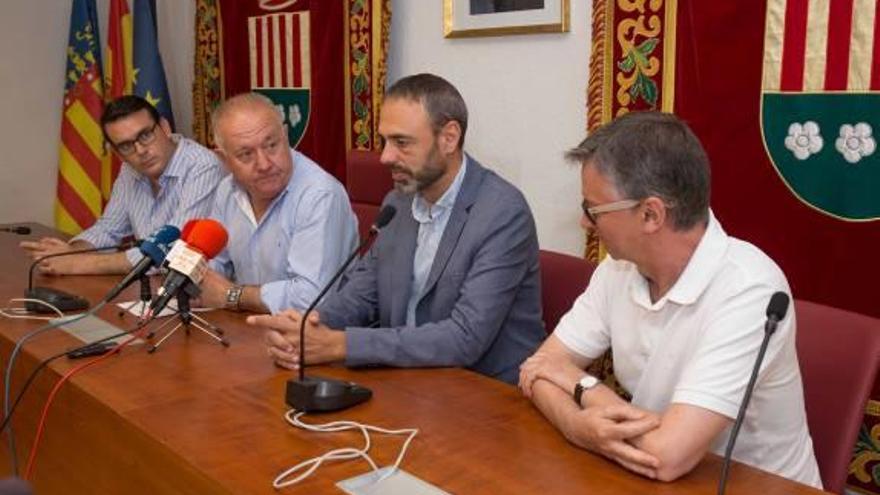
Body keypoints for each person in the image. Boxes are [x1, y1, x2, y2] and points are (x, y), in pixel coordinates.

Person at [518, 111, 822, 487]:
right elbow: (538, 368)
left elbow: (666, 455)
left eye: (592, 210)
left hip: (753, 486)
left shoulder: (751, 290)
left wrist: (583, 389)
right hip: (650, 476)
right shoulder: (617, 270)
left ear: (650, 214)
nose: (584, 223)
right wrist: (576, 424)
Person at [250, 73, 545, 384]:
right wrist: (308, 326)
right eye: (385, 141)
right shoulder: (398, 202)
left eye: (401, 142)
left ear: (449, 138)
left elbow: (465, 337)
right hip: (407, 380)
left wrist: (341, 345)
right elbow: (362, 293)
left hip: (485, 393)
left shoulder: (502, 213)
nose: (385, 157)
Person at [20, 95, 225, 275]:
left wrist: (77, 264)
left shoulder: (203, 166)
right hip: (152, 291)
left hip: (202, 297)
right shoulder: (131, 169)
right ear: (118, 153)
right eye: (126, 146)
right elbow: (108, 229)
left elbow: (172, 252)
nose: (140, 150)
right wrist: (71, 251)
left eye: (145, 135)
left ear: (164, 127)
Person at [196, 93, 358, 314]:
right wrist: (197, 281)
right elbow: (215, 264)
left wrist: (231, 295)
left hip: (314, 336)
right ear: (224, 160)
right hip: (247, 326)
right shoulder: (227, 190)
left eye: (272, 145)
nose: (264, 164)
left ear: (285, 135)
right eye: (246, 154)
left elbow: (310, 298)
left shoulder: (319, 195)